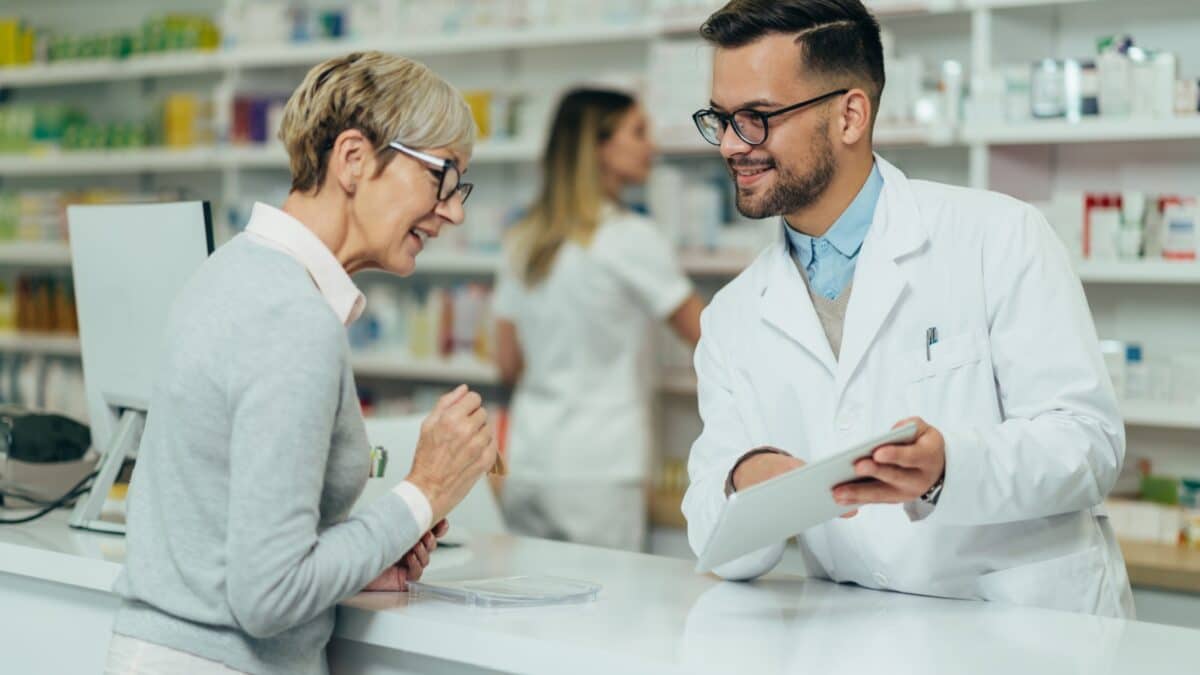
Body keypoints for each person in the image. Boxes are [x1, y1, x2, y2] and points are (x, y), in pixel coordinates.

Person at [682, 0, 1133, 618]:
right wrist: (749, 480)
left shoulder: (997, 237)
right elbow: (717, 547)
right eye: (722, 118)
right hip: (863, 637)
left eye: (757, 117)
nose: (733, 145)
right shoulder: (733, 316)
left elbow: (1089, 446)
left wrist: (948, 466)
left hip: (1030, 633)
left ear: (850, 115)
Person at [105, 52, 498, 675]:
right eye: (442, 176)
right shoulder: (293, 319)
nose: (454, 210)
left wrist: (363, 558)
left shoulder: (231, 272)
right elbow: (267, 596)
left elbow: (238, 551)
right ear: (353, 159)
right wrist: (422, 494)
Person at [492, 88, 704, 552]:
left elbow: (507, 364)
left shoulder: (523, 237)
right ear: (598, 147)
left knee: (528, 614)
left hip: (528, 463)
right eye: (638, 132)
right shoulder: (630, 237)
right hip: (600, 472)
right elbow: (708, 338)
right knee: (602, 617)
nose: (652, 146)